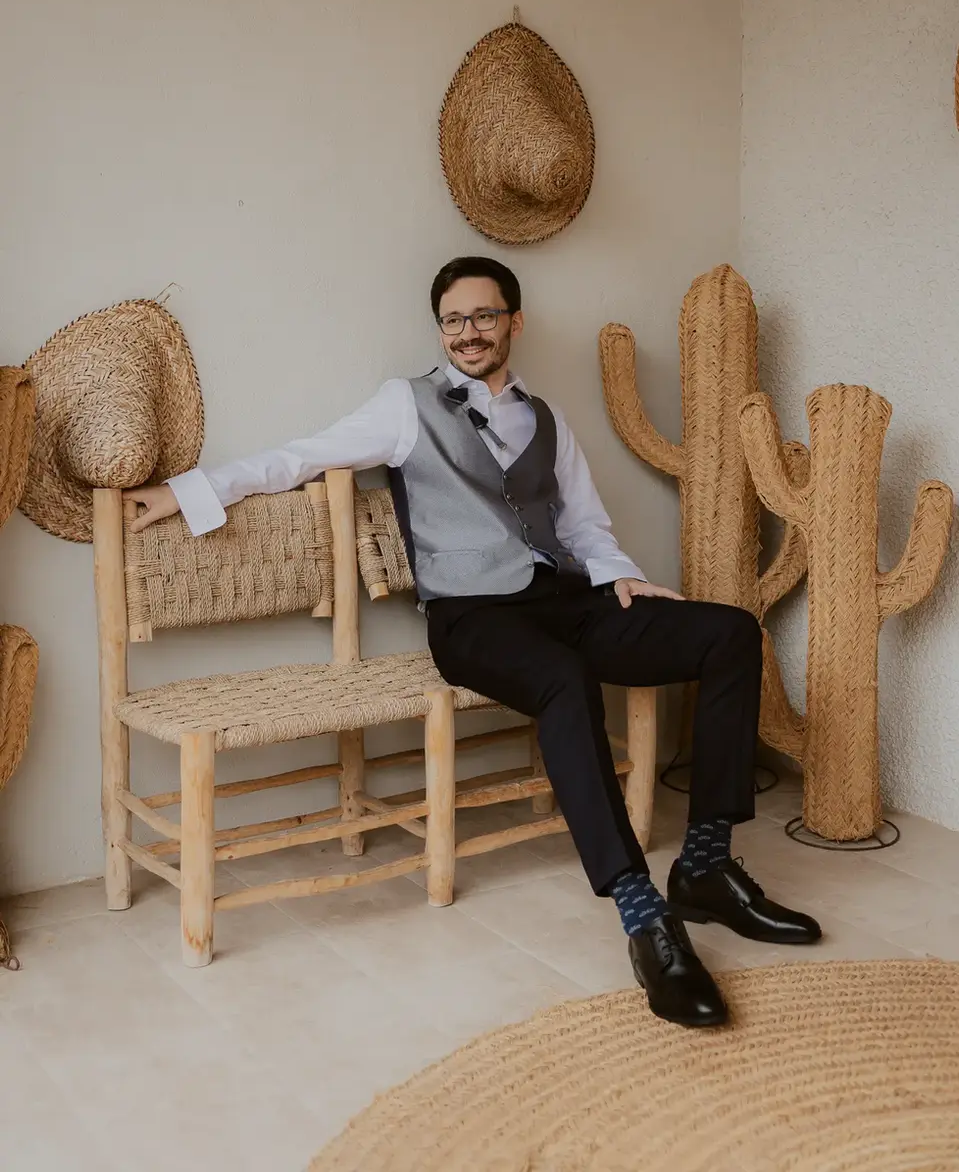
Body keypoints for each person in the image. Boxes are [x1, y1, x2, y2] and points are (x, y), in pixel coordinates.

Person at [127, 255, 820, 1027]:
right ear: (441, 329)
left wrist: (621, 576)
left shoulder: (546, 420)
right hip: (471, 620)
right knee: (564, 680)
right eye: (454, 319)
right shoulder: (405, 405)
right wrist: (188, 491)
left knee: (727, 631)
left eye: (484, 316)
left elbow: (585, 526)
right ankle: (641, 914)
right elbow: (300, 456)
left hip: (567, 601)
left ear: (512, 322)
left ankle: (706, 867)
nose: (468, 332)